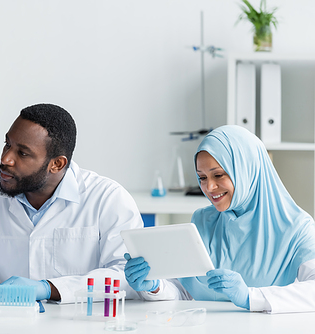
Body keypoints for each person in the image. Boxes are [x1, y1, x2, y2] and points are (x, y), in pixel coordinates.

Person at [0, 103, 143, 303]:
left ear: (57, 164)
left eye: (23, 153)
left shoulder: (108, 199)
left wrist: (49, 289)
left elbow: (127, 277)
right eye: (7, 144)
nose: (6, 159)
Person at [124, 125, 315, 313]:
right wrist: (154, 286)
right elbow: (185, 292)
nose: (209, 187)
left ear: (246, 169)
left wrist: (250, 297)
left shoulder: (297, 227)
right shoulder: (202, 220)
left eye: (218, 175)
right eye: (202, 178)